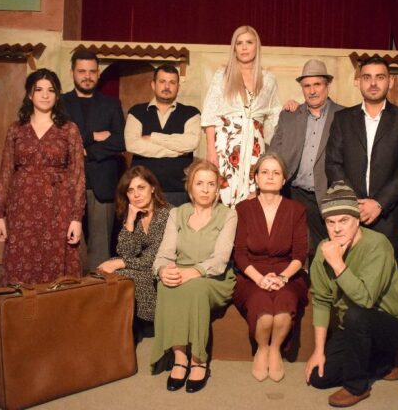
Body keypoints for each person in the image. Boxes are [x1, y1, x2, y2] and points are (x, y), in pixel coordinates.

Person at [325, 55, 398, 379]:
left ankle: (395, 358)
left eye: (380, 76)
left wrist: (379, 203)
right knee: (355, 283)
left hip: (388, 216)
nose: (373, 82)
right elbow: (333, 163)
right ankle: (361, 353)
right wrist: (353, 206)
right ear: (358, 81)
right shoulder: (343, 119)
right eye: (367, 77)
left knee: (387, 286)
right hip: (351, 216)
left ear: (390, 81)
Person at [305, 182, 398, 408]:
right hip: (353, 326)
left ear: (357, 220)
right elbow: (321, 301)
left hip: (396, 323)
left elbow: (365, 300)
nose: (337, 229)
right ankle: (384, 361)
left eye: (344, 220)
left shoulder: (377, 245)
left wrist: (338, 264)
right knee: (320, 378)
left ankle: (356, 387)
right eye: (330, 222)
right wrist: (318, 351)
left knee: (357, 315)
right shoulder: (323, 249)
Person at [150, 159, 237, 393]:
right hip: (182, 270)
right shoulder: (177, 213)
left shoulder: (228, 215)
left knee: (195, 288)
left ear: (217, 188)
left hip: (214, 277)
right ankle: (180, 357)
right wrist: (163, 270)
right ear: (190, 187)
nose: (205, 189)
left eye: (211, 184)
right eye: (199, 183)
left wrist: (192, 272)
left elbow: (221, 259)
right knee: (166, 285)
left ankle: (199, 360)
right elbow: (164, 253)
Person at [0, 69, 85, 286]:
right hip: (22, 208)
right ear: (29, 94)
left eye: (51, 90)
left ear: (57, 95)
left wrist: (76, 218)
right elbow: (6, 172)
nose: (45, 95)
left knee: (56, 266)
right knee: (20, 263)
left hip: (58, 207)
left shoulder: (69, 129)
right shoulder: (16, 129)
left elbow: (78, 175)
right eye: (39, 90)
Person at [232, 153, 308, 382]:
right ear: (256, 178)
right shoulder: (243, 209)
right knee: (263, 309)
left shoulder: (296, 209)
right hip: (251, 274)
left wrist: (282, 278)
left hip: (288, 273)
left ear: (284, 180)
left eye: (276, 173)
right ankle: (262, 348)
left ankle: (275, 349)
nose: (270, 177)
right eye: (264, 172)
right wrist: (260, 279)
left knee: (284, 306)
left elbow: (300, 254)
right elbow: (240, 254)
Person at [269, 59, 344, 257]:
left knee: (324, 251)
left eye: (317, 84)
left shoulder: (345, 116)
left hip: (327, 194)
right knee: (291, 249)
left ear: (327, 85)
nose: (312, 91)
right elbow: (273, 154)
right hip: (293, 193)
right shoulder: (289, 115)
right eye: (307, 86)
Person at [201, 25, 282, 207]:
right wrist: (211, 150)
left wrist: (291, 107)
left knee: (252, 200)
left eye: (249, 42)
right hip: (226, 146)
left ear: (256, 46)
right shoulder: (222, 75)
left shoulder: (268, 78)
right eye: (239, 43)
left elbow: (275, 115)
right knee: (222, 196)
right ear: (234, 48)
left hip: (255, 147)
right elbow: (210, 113)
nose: (244, 47)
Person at [62, 49, 125, 271]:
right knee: (70, 244)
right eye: (82, 71)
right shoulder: (60, 103)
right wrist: (93, 136)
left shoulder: (111, 104)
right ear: (72, 72)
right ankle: (71, 286)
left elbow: (120, 141)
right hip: (68, 183)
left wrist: (87, 150)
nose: (87, 76)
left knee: (100, 248)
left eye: (92, 71)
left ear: (98, 73)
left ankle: (98, 287)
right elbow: (60, 140)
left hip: (102, 183)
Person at [97, 166, 170, 342]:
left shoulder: (167, 214)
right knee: (110, 270)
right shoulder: (134, 215)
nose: (136, 194)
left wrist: (121, 263)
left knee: (121, 271)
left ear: (152, 188)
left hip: (161, 268)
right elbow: (124, 251)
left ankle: (136, 327)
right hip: (141, 266)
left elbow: (153, 258)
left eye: (141, 188)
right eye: (130, 190)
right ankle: (117, 328)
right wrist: (129, 220)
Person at [125, 64, 201, 207]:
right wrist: (177, 150)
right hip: (142, 189)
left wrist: (154, 137)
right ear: (153, 85)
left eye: (172, 82)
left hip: (179, 189)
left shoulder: (191, 113)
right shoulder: (136, 112)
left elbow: (191, 143)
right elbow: (132, 144)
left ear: (178, 87)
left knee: (178, 223)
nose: (167, 86)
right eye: (162, 81)